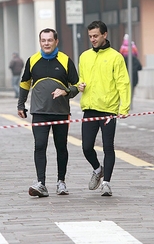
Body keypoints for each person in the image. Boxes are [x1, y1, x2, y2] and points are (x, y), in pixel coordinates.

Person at [17, 28, 79, 197]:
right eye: (43, 40)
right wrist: (21, 105)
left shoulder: (66, 60)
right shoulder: (33, 60)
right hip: (39, 112)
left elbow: (78, 85)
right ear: (40, 42)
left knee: (61, 147)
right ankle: (41, 183)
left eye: (49, 40)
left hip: (60, 112)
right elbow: (24, 84)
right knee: (40, 146)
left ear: (56, 41)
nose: (46, 43)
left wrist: (66, 91)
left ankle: (61, 182)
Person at [78, 21, 130, 196]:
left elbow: (123, 83)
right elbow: (81, 79)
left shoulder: (116, 57)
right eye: (90, 36)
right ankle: (97, 169)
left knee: (108, 147)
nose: (92, 39)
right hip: (90, 108)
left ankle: (106, 183)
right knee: (86, 147)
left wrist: (125, 107)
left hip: (108, 109)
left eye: (96, 36)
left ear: (104, 35)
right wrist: (80, 86)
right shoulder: (84, 56)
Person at [119, 36, 142, 100]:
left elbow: (120, 55)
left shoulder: (122, 47)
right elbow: (137, 54)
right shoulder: (133, 47)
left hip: (125, 74)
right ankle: (130, 101)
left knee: (126, 90)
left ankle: (126, 100)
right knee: (131, 89)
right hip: (134, 76)